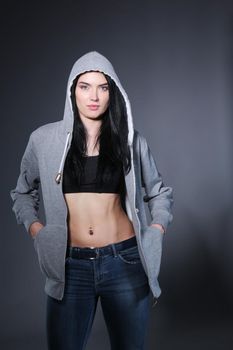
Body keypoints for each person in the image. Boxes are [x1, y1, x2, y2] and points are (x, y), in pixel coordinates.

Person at [10, 51, 173, 350]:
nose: (94, 96)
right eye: (85, 86)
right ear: (72, 90)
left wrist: (156, 231)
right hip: (70, 267)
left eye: (103, 87)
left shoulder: (131, 141)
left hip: (124, 261)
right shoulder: (43, 140)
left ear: (114, 92)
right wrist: (38, 231)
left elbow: (159, 192)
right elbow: (22, 192)